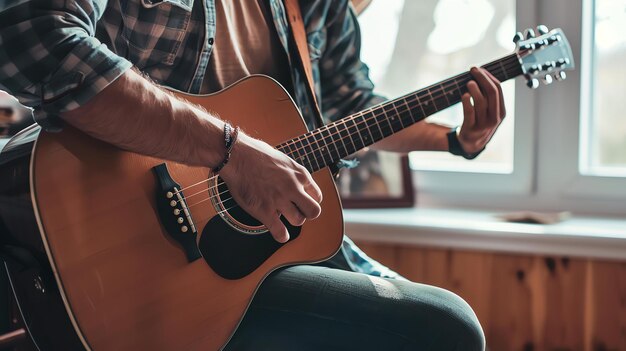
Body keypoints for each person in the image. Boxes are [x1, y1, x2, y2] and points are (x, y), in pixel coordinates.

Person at [0, 1, 506, 349]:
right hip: (142, 256)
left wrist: (456, 141)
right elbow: (35, 39)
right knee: (446, 327)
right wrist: (233, 153)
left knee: (451, 330)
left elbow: (350, 107)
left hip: (278, 248)